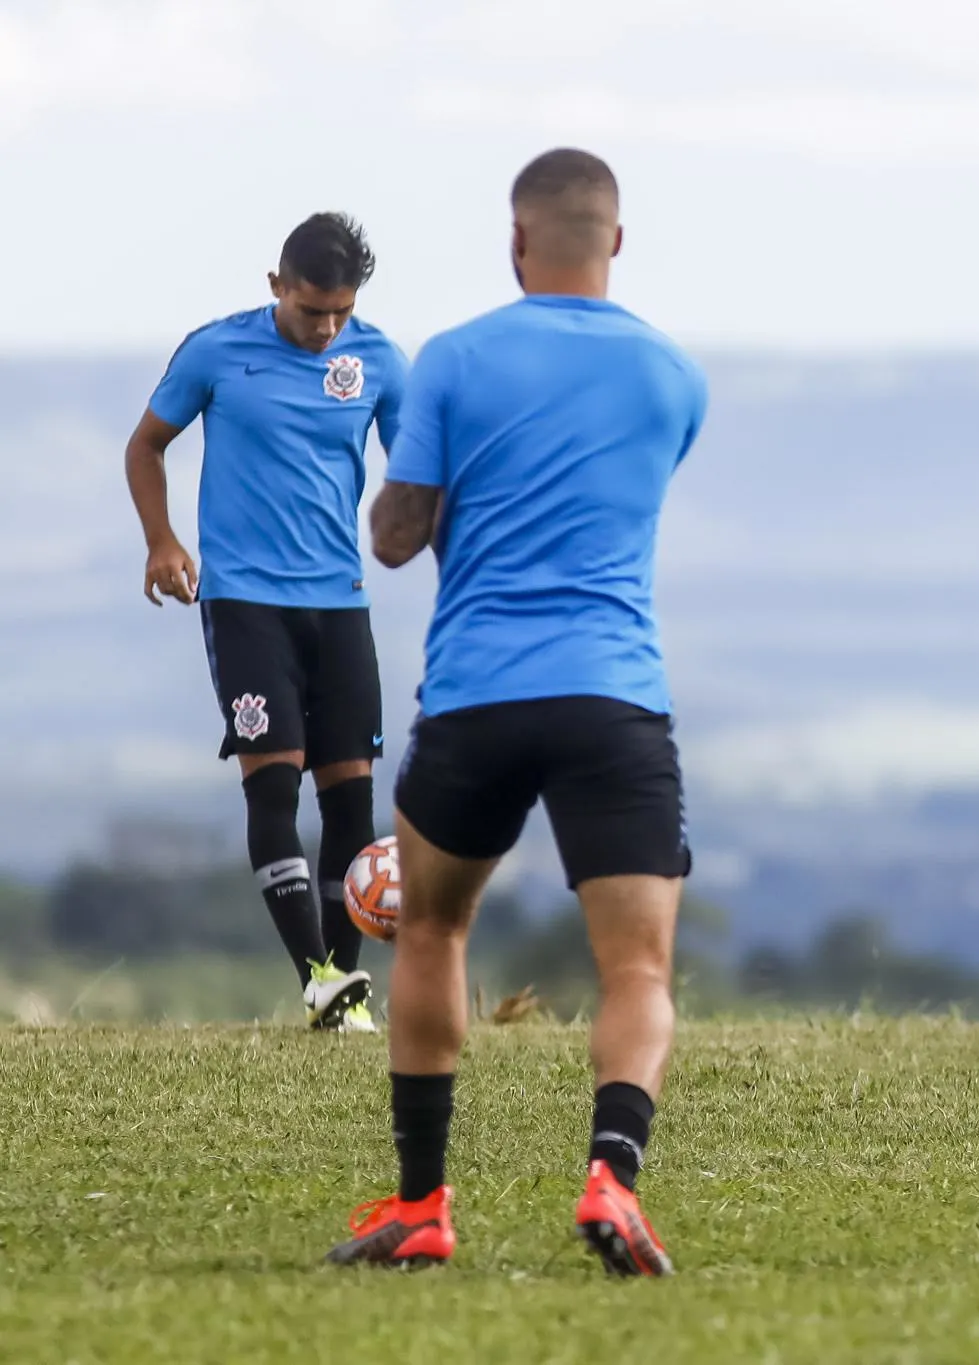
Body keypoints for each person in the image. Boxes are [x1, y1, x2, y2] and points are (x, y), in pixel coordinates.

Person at [326, 148, 706, 1274]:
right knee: (637, 970)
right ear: (618, 242)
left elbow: (394, 539)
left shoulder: (453, 359)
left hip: (478, 694)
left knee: (434, 927)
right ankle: (611, 1178)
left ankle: (422, 1207)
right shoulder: (673, 374)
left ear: (515, 240)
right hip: (613, 698)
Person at [124, 213, 404, 1032]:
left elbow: (418, 465)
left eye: (339, 313)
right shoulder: (217, 351)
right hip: (246, 602)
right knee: (273, 779)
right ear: (276, 286)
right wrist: (161, 539)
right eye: (310, 309)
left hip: (341, 604)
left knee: (351, 801)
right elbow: (146, 445)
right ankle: (314, 971)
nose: (325, 329)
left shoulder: (380, 359)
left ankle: (339, 997)